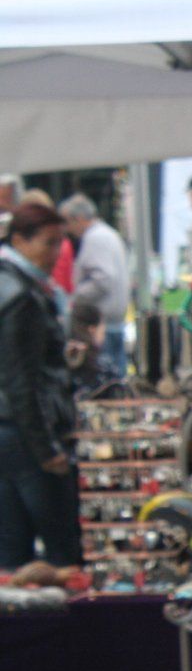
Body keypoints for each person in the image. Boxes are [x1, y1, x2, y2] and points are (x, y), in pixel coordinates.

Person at [0, 202, 79, 569]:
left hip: (9, 431)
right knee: (61, 547)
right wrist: (46, 448)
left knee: (12, 549)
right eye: (49, 243)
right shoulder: (22, 296)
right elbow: (21, 380)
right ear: (19, 240)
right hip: (25, 433)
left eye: (60, 243)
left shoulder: (14, 286)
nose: (57, 253)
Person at [59, 194, 129, 376]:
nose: (67, 229)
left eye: (67, 222)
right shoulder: (108, 234)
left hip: (100, 325)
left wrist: (75, 297)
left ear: (79, 218)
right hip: (113, 321)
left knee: (104, 379)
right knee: (116, 378)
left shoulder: (95, 238)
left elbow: (103, 279)